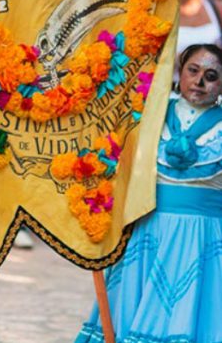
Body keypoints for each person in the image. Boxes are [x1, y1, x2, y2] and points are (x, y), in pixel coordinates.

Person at [76, 44, 222, 342]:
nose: (199, 82)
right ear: (180, 73)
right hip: (148, 231)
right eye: (193, 71)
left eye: (211, 76)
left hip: (202, 238)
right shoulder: (150, 113)